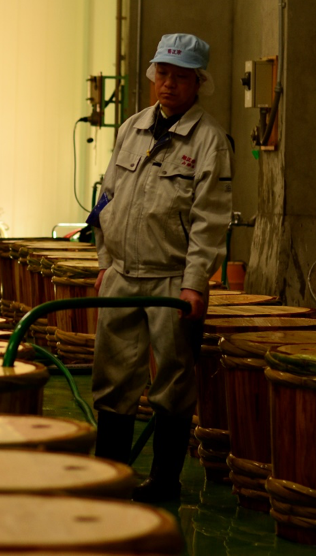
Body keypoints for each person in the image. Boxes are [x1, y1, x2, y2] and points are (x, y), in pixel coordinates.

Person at [88, 33, 232, 502]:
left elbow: (209, 222)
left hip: (172, 280)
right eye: (163, 74)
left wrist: (194, 286)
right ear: (154, 76)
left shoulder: (209, 141)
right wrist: (106, 260)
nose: (169, 84)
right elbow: (107, 197)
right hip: (123, 275)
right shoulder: (133, 128)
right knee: (112, 379)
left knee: (172, 382)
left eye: (181, 76)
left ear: (198, 82)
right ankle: (109, 478)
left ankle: (165, 482)